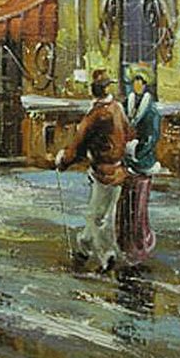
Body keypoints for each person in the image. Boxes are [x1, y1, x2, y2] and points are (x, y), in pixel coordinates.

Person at [55, 69, 131, 272]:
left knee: (98, 217)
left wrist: (63, 161)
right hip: (119, 169)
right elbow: (129, 133)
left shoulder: (96, 115)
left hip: (103, 171)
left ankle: (107, 255)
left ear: (93, 90)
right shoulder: (117, 109)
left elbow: (78, 144)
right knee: (103, 212)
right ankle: (83, 247)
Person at [118, 63, 160, 263]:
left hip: (142, 162)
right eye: (134, 81)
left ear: (145, 85)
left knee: (139, 205)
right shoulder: (126, 104)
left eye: (140, 82)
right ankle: (123, 242)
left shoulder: (151, 110)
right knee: (125, 204)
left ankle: (141, 243)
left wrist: (137, 151)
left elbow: (152, 137)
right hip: (126, 161)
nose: (137, 85)